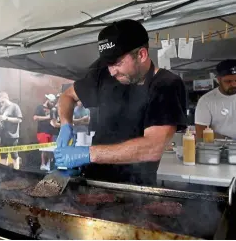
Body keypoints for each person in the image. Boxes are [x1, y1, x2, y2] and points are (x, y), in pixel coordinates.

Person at [53, 19, 187, 186]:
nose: (112, 71)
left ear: (142, 55)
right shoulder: (102, 74)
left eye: (117, 63)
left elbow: (153, 148)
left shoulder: (166, 85)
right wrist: (66, 126)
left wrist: (88, 154)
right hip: (93, 182)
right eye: (108, 64)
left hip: (136, 189)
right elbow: (67, 96)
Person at [195, 59, 236, 140]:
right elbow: (201, 132)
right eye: (228, 81)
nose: (234, 84)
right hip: (219, 149)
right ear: (218, 80)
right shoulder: (206, 101)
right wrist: (230, 142)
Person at [0, 92, 22, 169]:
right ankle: (4, 174)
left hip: (12, 136)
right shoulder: (2, 109)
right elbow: (1, 121)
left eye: (2, 101)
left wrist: (7, 118)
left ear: (7, 98)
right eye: (0, 102)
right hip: (3, 135)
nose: (1, 104)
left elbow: (19, 120)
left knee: (14, 155)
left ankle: (16, 173)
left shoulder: (15, 106)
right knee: (3, 156)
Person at [33, 94, 58, 170]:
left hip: (52, 132)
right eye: (51, 102)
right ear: (47, 100)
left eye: (53, 102)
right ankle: (43, 164)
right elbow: (35, 118)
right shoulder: (40, 107)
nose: (52, 103)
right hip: (42, 131)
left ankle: (49, 165)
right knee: (44, 149)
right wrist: (47, 117)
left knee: (51, 149)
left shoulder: (53, 109)